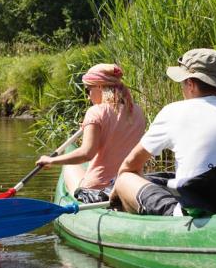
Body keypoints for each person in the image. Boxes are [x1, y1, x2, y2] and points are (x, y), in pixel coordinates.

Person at [110, 48, 216, 216]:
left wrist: (117, 190)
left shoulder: (173, 112)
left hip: (193, 212)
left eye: (183, 83)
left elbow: (131, 164)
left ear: (190, 84)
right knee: (163, 179)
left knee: (125, 177)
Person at [36, 64, 146, 195]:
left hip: (98, 189)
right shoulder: (137, 111)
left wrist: (51, 160)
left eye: (88, 90)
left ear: (100, 86)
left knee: (69, 167)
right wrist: (91, 126)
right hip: (130, 187)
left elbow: (86, 154)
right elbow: (116, 136)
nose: (88, 96)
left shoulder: (95, 112)